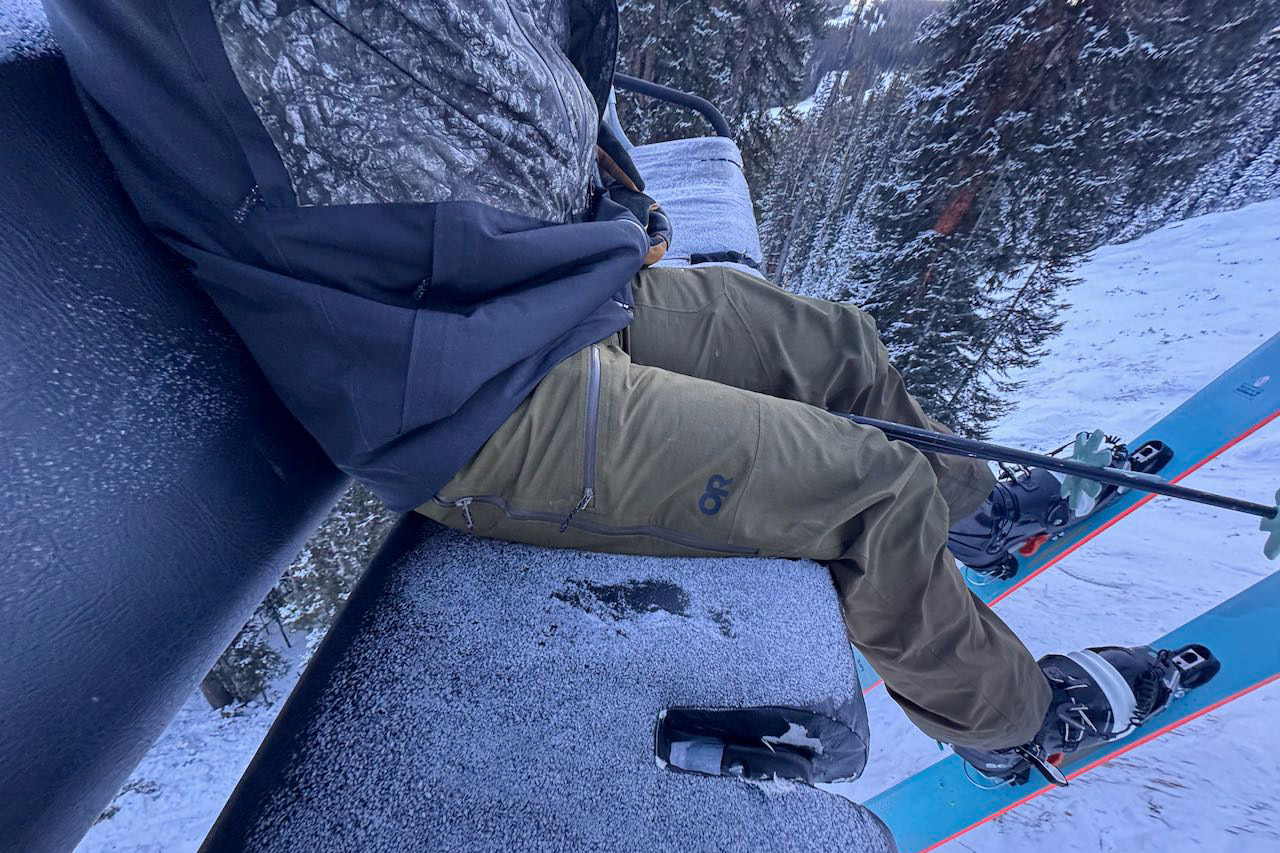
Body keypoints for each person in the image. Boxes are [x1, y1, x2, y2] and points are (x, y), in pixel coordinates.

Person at [45, 0, 1188, 786]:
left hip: (530, 292)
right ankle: (1004, 721)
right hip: (467, 398)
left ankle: (965, 522)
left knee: (834, 343)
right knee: (867, 490)